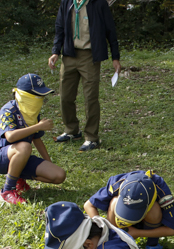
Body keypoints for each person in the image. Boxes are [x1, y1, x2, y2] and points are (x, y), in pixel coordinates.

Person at [48, 0, 121, 152]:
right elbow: (59, 27)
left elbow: (110, 30)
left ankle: (91, 137)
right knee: (65, 96)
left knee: (90, 98)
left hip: (90, 56)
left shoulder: (99, 3)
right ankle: (72, 130)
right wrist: (55, 51)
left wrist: (116, 57)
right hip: (69, 54)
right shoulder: (67, 2)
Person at [0, 74, 66, 205]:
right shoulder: (9, 110)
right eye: (37, 96)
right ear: (25, 95)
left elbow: (37, 139)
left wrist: (49, 162)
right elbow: (10, 136)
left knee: (59, 175)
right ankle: (7, 191)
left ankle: (17, 178)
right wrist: (38, 126)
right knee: (24, 146)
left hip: (22, 156)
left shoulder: (32, 113)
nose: (40, 100)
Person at [84, 170, 174, 249]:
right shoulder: (117, 184)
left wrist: (138, 233)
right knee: (114, 202)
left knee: (155, 209)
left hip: (146, 222)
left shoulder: (161, 191)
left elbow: (172, 230)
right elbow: (88, 205)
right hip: (119, 223)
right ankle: (114, 243)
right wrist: (103, 228)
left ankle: (152, 246)